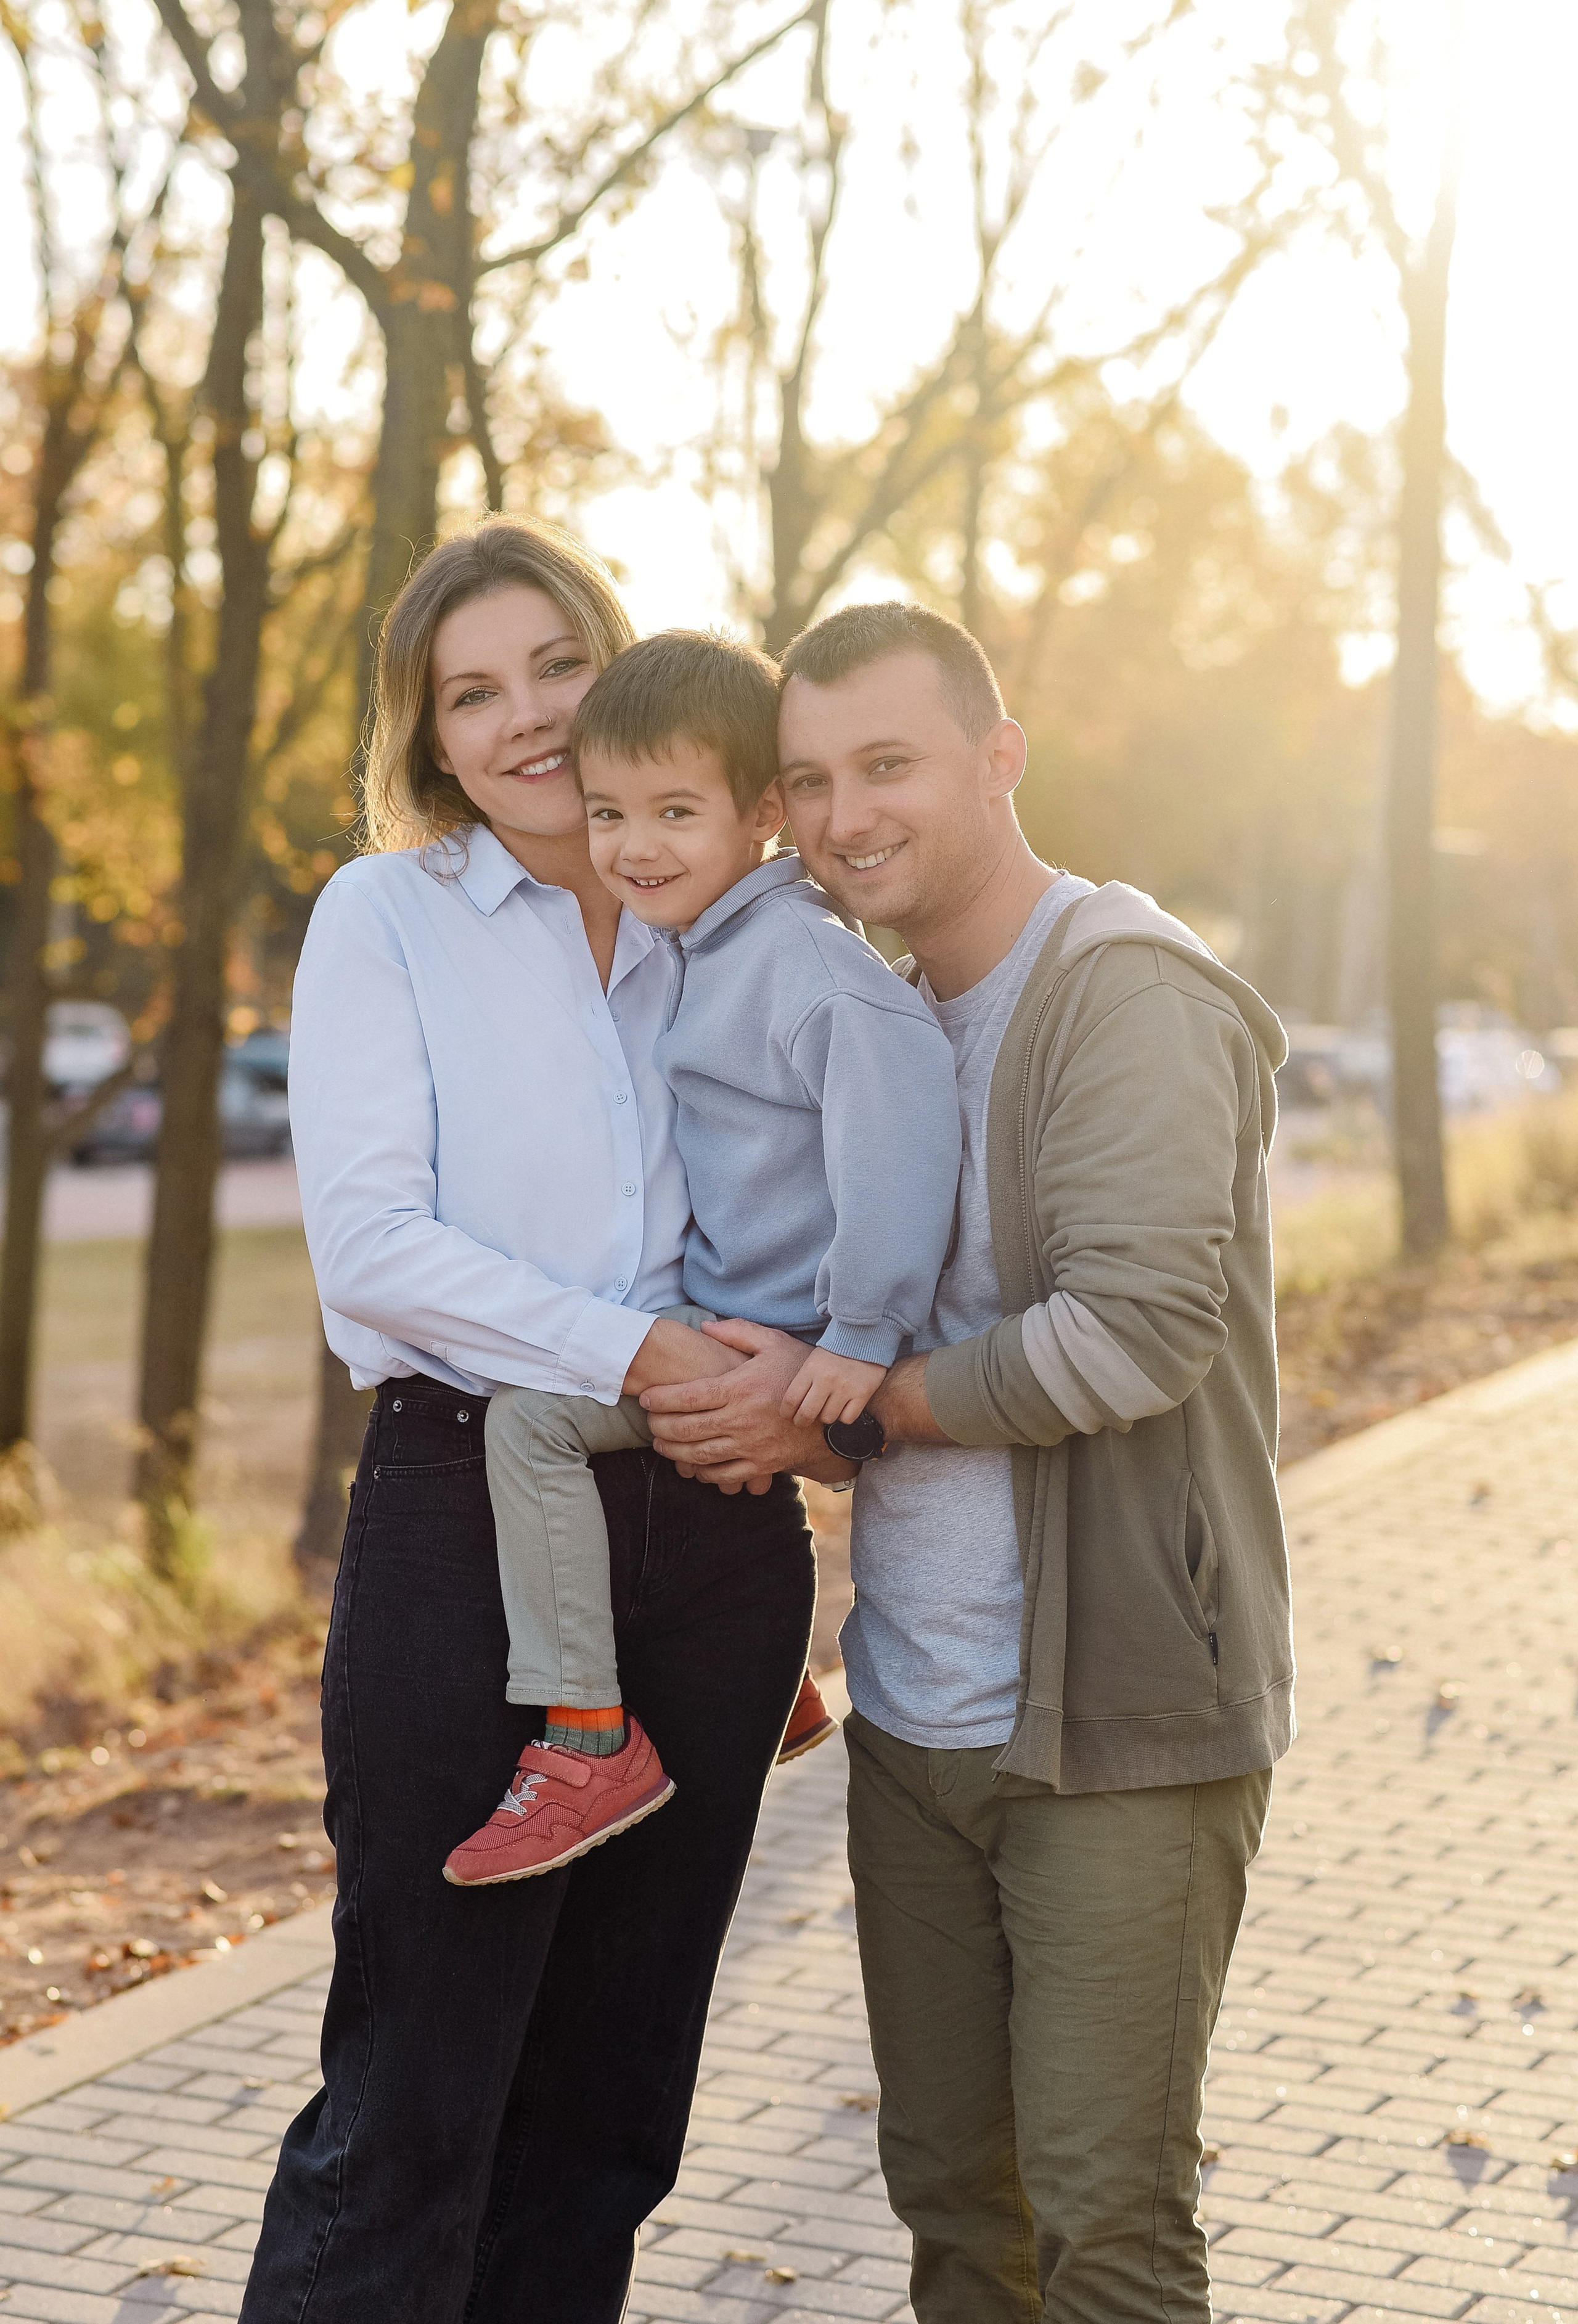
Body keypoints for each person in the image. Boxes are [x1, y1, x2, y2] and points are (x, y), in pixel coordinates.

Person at [642, 601, 1294, 2323]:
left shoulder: (1123, 995)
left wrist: (844, 1407)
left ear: (1000, 760)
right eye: (808, 780)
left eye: (889, 765)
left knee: (1107, 2229)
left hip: (1118, 1723)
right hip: (916, 1725)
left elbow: (1135, 1338)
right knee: (954, 2205)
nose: (845, 814)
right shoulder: (876, 1014)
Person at [241, 520, 823, 2324]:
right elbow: (376, 1251)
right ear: (428, 740)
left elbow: (824, 1195)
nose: (526, 719)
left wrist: (793, 1394)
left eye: (556, 665)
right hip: (471, 1518)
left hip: (720, 1542)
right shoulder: (387, 919)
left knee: (610, 2120)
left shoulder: (727, 930)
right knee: (413, 2103)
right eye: (469, 693)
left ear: (623, 665)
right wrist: (643, 1353)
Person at [443, 630, 962, 1888]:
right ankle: (776, 1688)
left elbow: (899, 1119)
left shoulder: (798, 965)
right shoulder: (701, 945)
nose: (635, 844)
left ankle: (583, 1735)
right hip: (723, 1314)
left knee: (529, 1428)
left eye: (675, 810)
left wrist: (858, 1331)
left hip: (787, 1338)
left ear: (764, 813)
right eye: (609, 810)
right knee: (624, 1378)